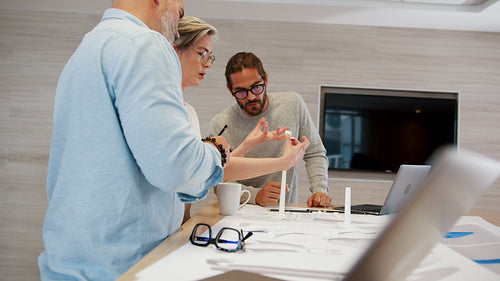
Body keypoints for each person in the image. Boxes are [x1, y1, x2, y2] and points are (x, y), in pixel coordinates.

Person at [38, 1, 232, 280]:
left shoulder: (88, 48)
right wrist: (214, 153)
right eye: (178, 9)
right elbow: (175, 167)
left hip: (71, 264)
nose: (178, 22)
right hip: (122, 267)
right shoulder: (145, 43)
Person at [173, 17, 311, 222]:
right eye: (202, 53)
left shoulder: (188, 111)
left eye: (210, 56)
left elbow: (211, 173)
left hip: (178, 225)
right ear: (175, 51)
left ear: (266, 79)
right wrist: (285, 161)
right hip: (159, 232)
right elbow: (201, 180)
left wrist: (245, 146)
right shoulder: (167, 110)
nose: (208, 64)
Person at [210, 52, 333, 207]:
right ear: (230, 89)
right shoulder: (221, 124)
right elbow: (218, 179)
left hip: (284, 211)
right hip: (241, 211)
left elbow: (315, 152)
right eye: (241, 92)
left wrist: (320, 190)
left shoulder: (293, 104)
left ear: (266, 79)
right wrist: (256, 195)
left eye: (256, 87)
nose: (251, 97)